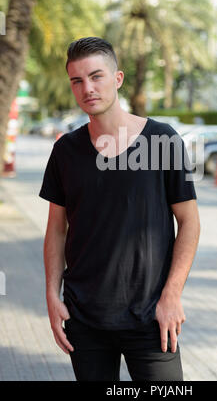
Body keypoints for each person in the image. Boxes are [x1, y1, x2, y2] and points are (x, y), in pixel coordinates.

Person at [39, 36, 201, 381]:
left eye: (96, 76)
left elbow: (189, 222)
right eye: (77, 81)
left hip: (152, 315)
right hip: (84, 318)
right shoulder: (66, 151)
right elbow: (56, 228)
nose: (87, 88)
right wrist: (52, 296)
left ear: (118, 79)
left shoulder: (162, 140)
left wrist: (172, 295)